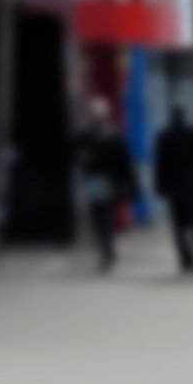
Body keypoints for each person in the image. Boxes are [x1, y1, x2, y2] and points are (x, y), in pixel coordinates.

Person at [74, 98, 138, 273]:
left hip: (99, 182)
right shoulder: (108, 136)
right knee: (104, 217)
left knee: (101, 217)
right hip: (103, 182)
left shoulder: (91, 137)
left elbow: (124, 163)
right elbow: (125, 163)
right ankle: (107, 249)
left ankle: (106, 249)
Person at [155, 106, 193, 274]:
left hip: (175, 189)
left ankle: (184, 256)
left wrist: (161, 187)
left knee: (179, 226)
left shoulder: (164, 136)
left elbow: (161, 164)